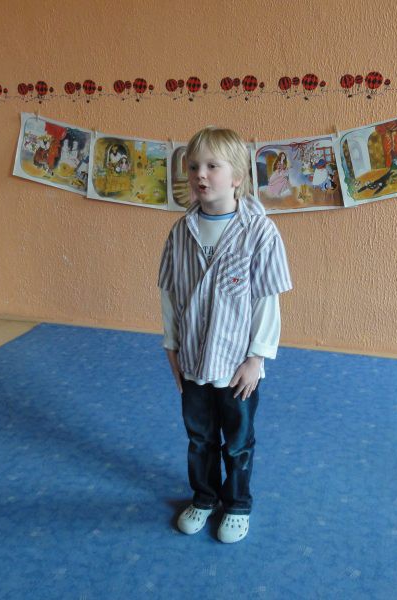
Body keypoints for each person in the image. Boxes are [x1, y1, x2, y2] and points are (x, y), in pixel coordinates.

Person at [157, 127, 292, 543]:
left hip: (236, 366)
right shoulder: (181, 233)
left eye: (212, 166)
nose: (201, 174)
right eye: (194, 166)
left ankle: (236, 503)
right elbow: (170, 294)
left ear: (237, 176)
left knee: (237, 440)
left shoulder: (260, 232)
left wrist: (257, 358)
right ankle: (204, 496)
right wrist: (172, 346)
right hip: (194, 359)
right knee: (199, 438)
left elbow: (266, 300)